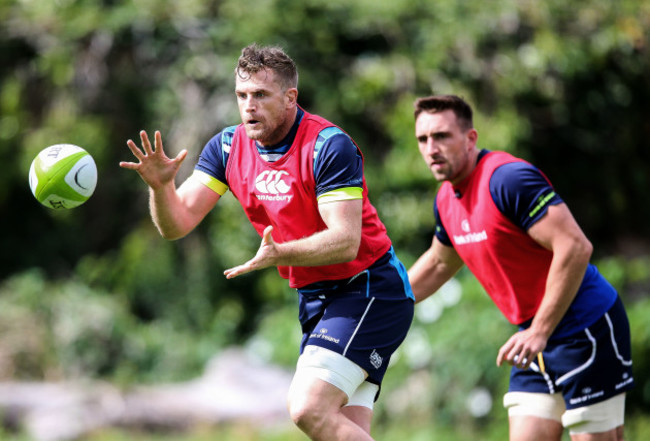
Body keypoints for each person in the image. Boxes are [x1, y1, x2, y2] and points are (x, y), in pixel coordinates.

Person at [120, 43, 414, 441]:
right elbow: (177, 224)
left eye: (260, 95)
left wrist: (279, 254)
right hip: (317, 298)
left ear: (290, 97)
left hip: (368, 288)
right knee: (340, 428)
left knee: (307, 407)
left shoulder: (327, 146)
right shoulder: (227, 147)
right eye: (242, 96)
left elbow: (346, 242)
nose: (249, 106)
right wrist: (161, 187)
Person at [408, 94, 634, 441]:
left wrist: (540, 331)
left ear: (470, 139)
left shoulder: (508, 179)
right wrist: (381, 302)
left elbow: (575, 247)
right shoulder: (446, 198)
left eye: (442, 136)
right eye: (423, 139)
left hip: (585, 328)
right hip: (532, 340)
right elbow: (440, 262)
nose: (431, 148)